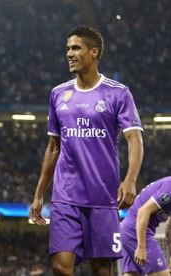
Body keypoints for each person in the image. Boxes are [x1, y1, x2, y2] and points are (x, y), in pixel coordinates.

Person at [30, 25, 144, 275]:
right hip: (65, 195)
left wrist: (130, 180)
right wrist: (39, 193)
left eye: (76, 48)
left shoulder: (118, 93)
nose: (69, 54)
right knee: (60, 266)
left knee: (102, 269)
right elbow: (53, 147)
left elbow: (134, 139)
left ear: (94, 52)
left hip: (102, 196)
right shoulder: (58, 94)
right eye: (68, 48)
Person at [120, 176, 171, 276]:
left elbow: (169, 225)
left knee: (132, 274)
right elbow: (143, 211)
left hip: (127, 229)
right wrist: (141, 247)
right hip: (135, 231)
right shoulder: (169, 188)